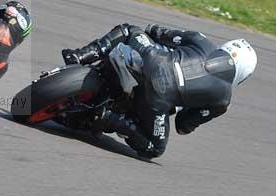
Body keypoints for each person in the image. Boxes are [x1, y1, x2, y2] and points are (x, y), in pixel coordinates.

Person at [61, 24, 257, 158]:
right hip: (158, 100)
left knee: (128, 30)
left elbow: (155, 31)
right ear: (243, 75)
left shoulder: (200, 39)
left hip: (151, 58)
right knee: (154, 149)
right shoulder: (223, 101)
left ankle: (80, 55)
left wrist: (150, 42)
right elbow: (183, 125)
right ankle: (109, 117)